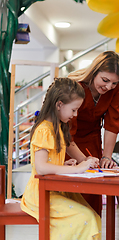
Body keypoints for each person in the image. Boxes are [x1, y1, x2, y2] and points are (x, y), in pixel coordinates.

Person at [20, 78, 101, 239]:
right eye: (74, 110)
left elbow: (48, 163)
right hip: (41, 194)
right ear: (59, 105)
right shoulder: (44, 130)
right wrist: (76, 168)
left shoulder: (56, 127)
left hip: (53, 190)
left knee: (93, 216)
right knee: (86, 218)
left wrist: (63, 164)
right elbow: (41, 167)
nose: (75, 114)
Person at [66, 51, 119, 215]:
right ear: (94, 72)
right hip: (68, 141)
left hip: (92, 139)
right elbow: (66, 134)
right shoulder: (74, 85)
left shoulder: (116, 88)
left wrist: (106, 156)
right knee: (73, 188)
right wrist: (83, 161)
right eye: (105, 80)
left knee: (93, 191)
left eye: (114, 83)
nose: (108, 87)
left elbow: (113, 122)